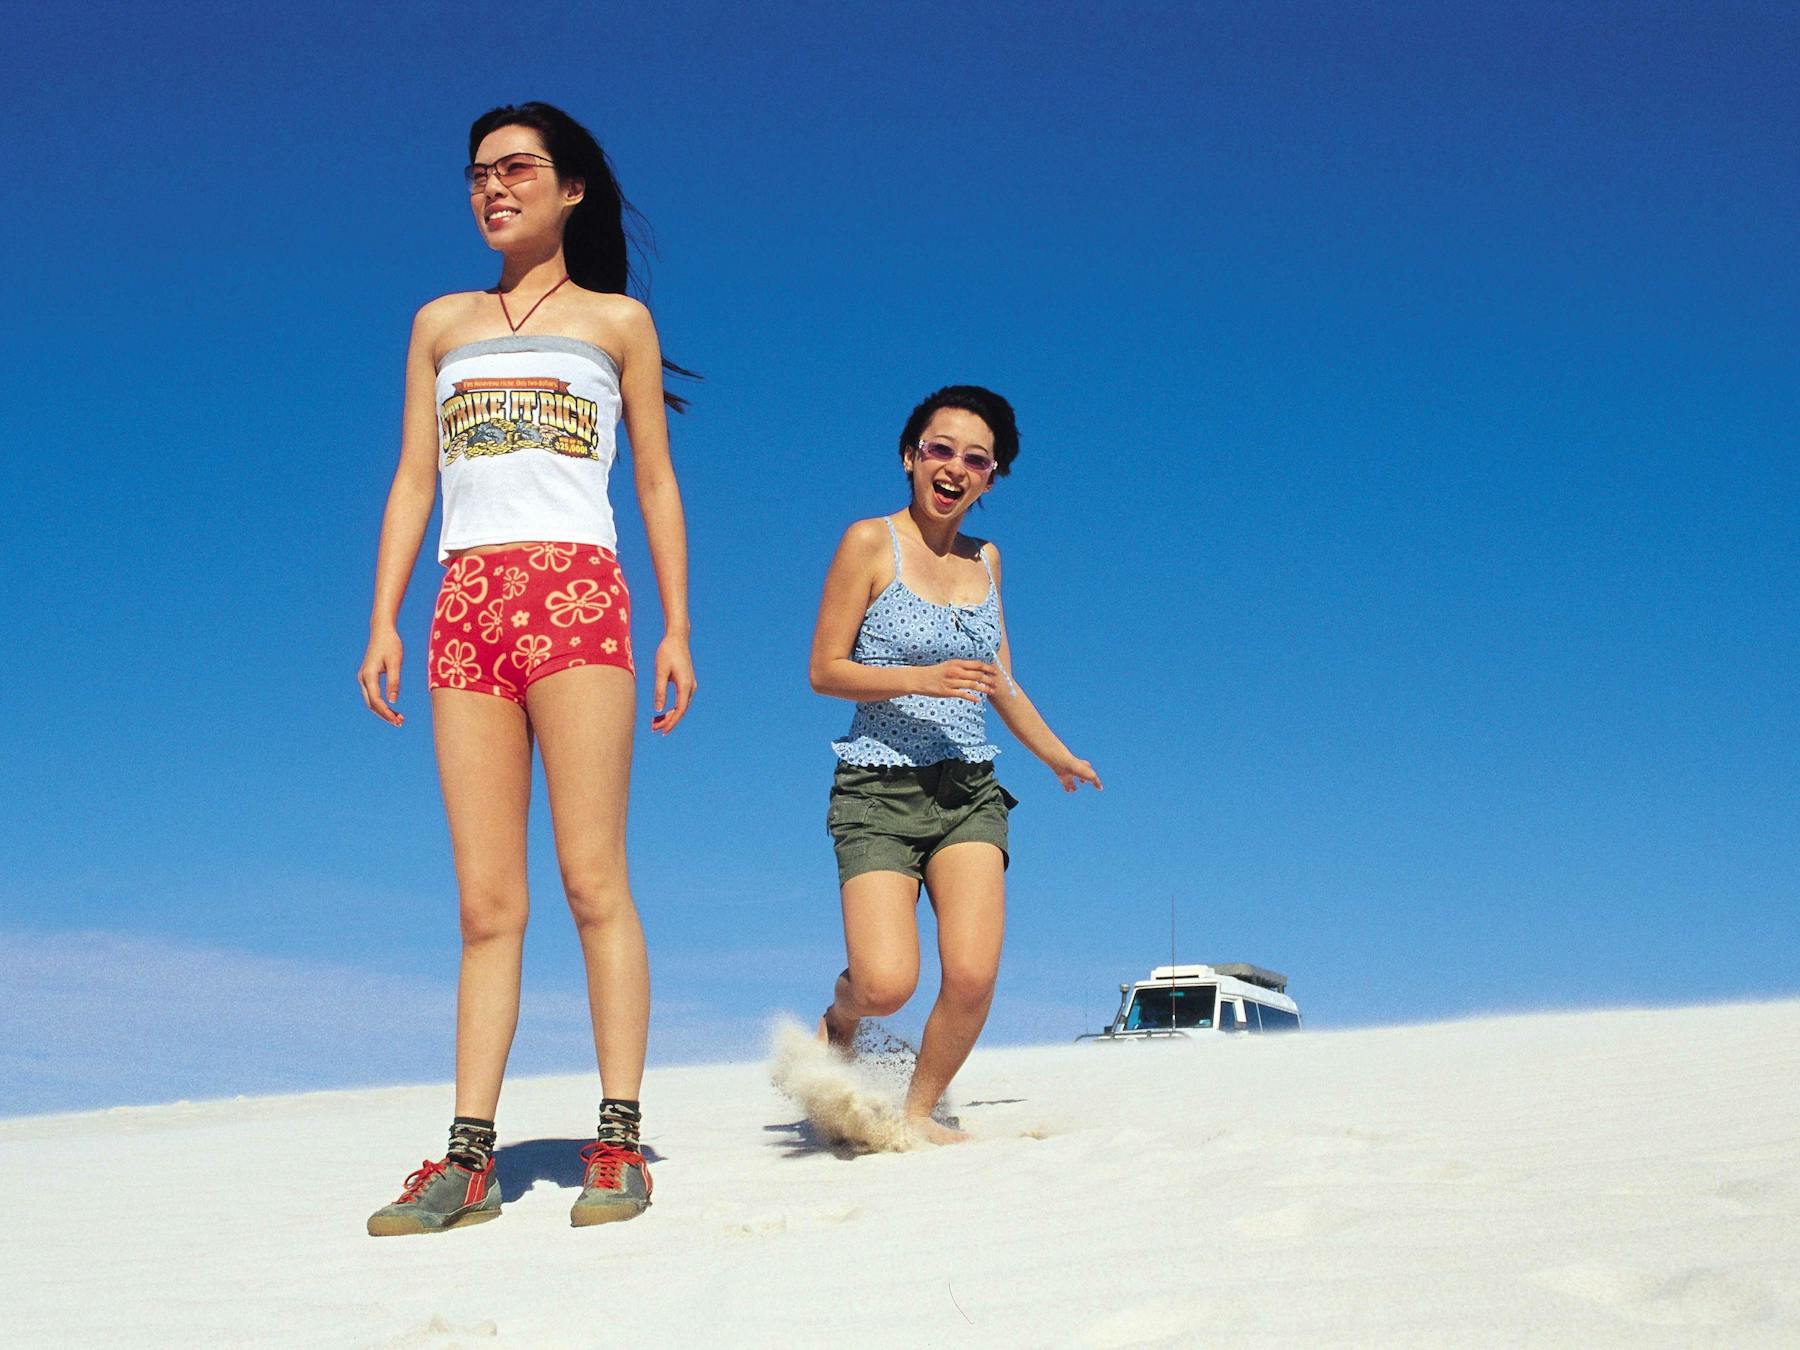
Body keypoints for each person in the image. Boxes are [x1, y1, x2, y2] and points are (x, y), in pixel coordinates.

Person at [356, 102, 696, 1234]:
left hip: (574, 594)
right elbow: (415, 477)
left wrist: (677, 627)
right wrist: (384, 617)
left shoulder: (618, 322)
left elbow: (654, 481)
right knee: (485, 903)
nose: (492, 188)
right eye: (477, 174)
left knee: (593, 878)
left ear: (571, 188)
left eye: (516, 169)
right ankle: (468, 1165)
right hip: (465, 603)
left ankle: (619, 1141)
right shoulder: (440, 323)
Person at [808, 385, 1100, 1144]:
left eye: (977, 460)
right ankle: (840, 1020)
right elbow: (824, 670)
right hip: (877, 789)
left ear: (991, 479)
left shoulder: (987, 560)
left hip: (968, 789)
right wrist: (920, 678)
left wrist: (1055, 753)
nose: (955, 468)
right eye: (940, 450)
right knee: (885, 985)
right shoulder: (870, 542)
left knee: (971, 976)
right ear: (910, 457)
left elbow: (1000, 681)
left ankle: (915, 1113)